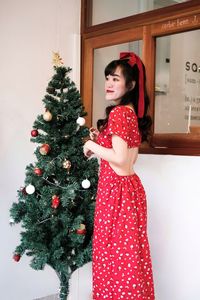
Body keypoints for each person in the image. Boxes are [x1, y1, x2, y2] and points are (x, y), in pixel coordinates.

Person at [83, 52, 155, 300]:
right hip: (128, 191)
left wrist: (91, 146)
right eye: (107, 78)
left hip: (118, 196)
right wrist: (99, 140)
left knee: (116, 262)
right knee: (129, 260)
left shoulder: (119, 114)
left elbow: (122, 160)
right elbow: (126, 157)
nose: (109, 84)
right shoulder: (130, 113)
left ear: (131, 85)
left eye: (115, 79)